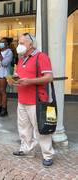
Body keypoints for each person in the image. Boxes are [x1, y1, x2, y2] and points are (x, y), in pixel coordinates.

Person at [10, 33, 55, 167]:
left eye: (22, 43)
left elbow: (49, 77)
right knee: (24, 128)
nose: (19, 45)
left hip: (37, 100)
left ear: (31, 44)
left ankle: (48, 154)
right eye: (19, 43)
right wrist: (14, 80)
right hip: (22, 99)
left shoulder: (41, 57)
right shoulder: (21, 58)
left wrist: (29, 81)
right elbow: (21, 76)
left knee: (40, 129)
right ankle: (27, 150)